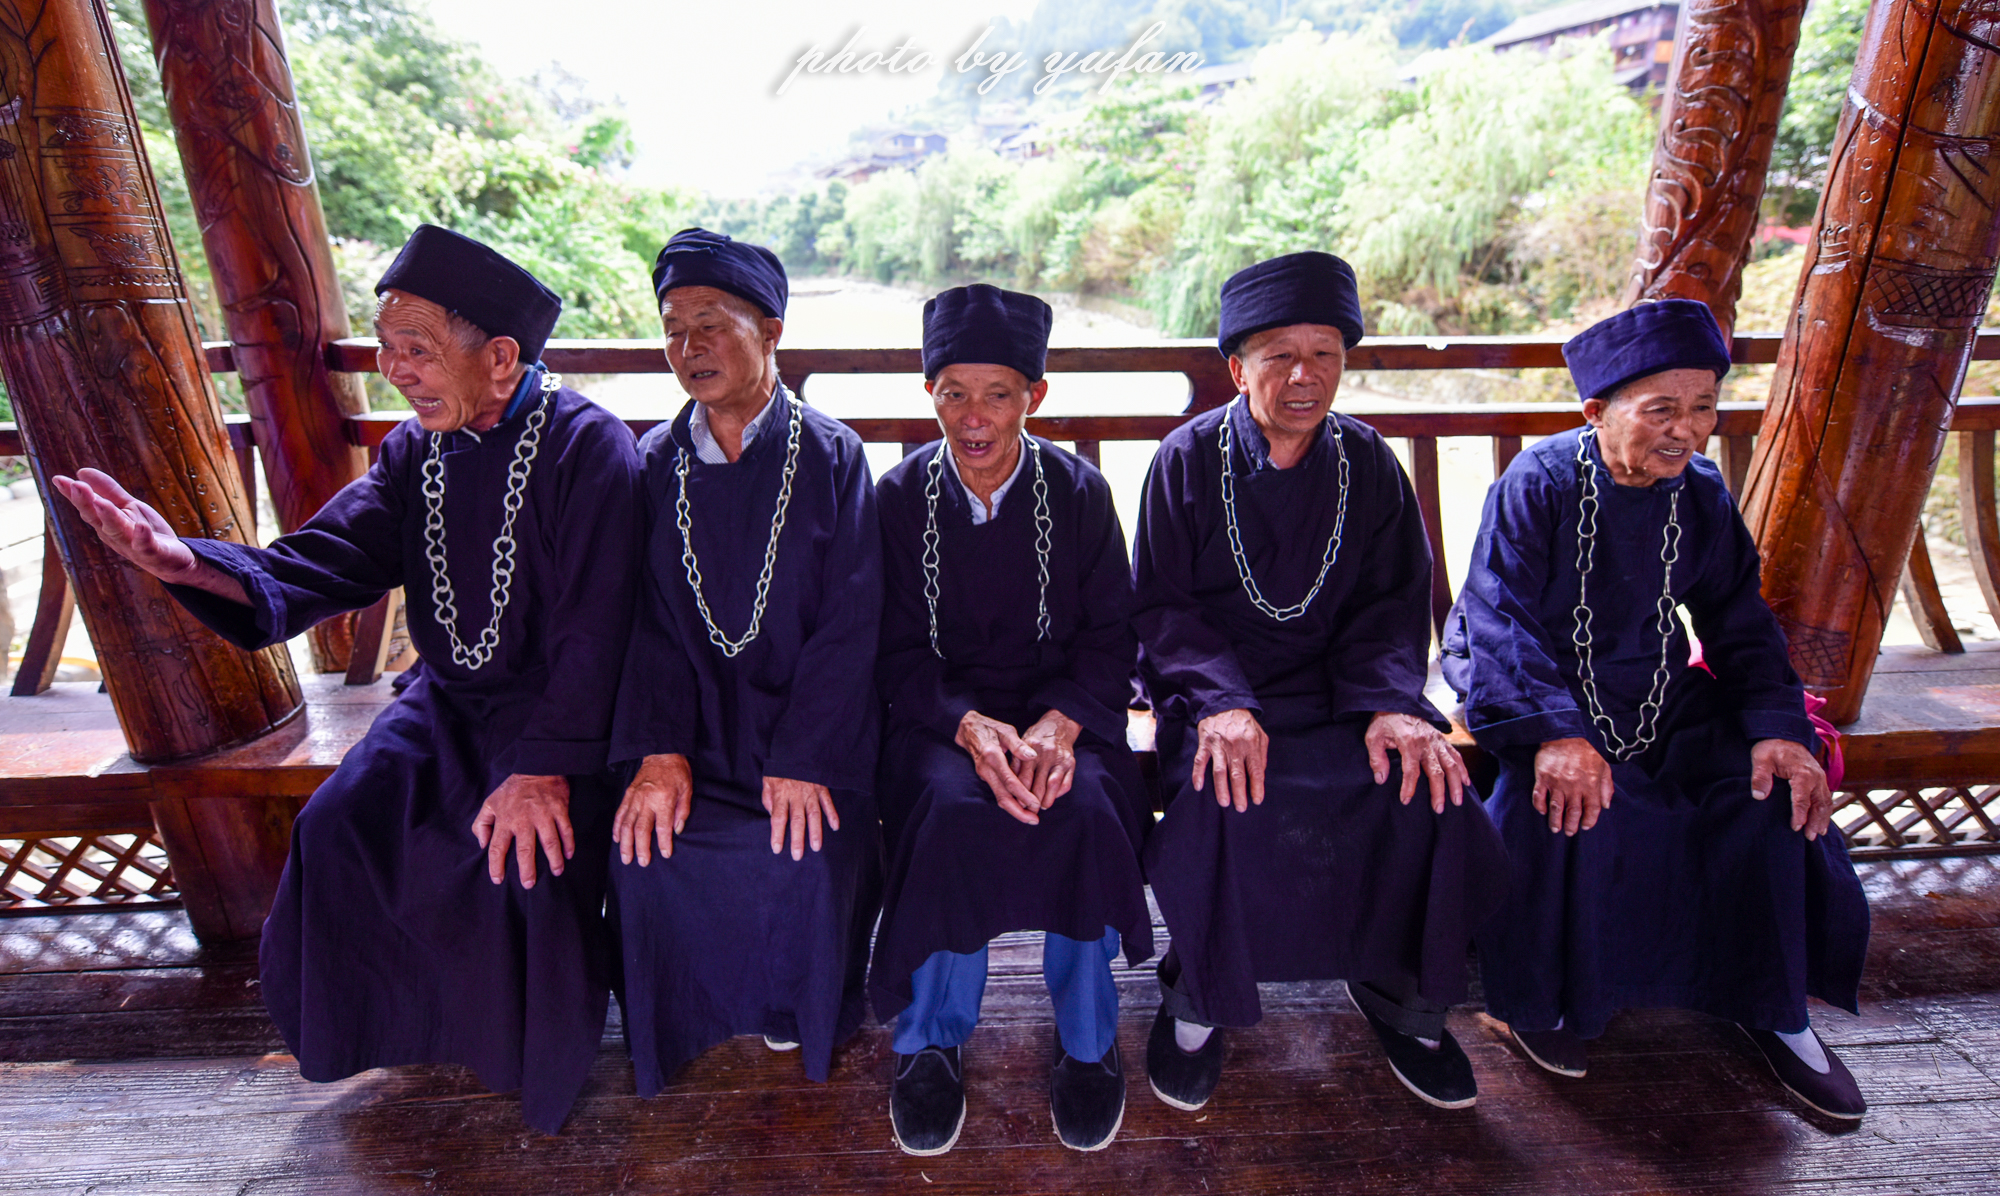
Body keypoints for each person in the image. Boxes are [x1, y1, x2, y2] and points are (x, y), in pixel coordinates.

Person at [51, 224, 644, 1133]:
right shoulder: (416, 451)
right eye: (385, 346)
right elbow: (327, 556)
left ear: (500, 358)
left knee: (513, 860)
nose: (395, 370)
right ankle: (395, 1032)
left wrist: (543, 769)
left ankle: (514, 1058)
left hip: (565, 719)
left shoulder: (589, 448)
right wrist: (188, 563)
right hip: (447, 703)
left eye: (417, 350)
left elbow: (600, 633)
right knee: (338, 827)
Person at [1441, 298, 1871, 1120]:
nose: (1687, 430)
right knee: (1560, 801)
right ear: (1597, 412)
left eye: (1704, 407)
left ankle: (1775, 1010)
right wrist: (1554, 733)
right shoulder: (1537, 482)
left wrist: (1778, 730)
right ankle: (1538, 1003)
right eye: (1661, 409)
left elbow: (1738, 620)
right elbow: (1499, 620)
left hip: (1653, 686)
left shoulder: (1699, 490)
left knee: (1766, 793)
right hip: (1533, 680)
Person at [1131, 251, 1509, 1113]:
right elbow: (1163, 607)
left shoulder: (1368, 463)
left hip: (1346, 696)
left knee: (1423, 785)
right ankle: (1198, 999)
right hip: (1217, 694)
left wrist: (1387, 704)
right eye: (1280, 356)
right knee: (1225, 791)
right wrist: (1222, 703)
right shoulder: (1185, 461)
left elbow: (1392, 603)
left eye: (1324, 355)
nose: (1304, 376)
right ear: (1239, 369)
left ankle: (1403, 997)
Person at [869, 284, 1153, 1154]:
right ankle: (931, 1039)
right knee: (949, 813)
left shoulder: (1079, 493)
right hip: (942, 723)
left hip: (1064, 718)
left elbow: (1113, 636)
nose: (974, 417)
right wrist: (968, 725)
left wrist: (1061, 726)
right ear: (929, 393)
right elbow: (890, 650)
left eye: (997, 394)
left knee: (1083, 807)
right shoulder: (896, 499)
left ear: (1034, 395)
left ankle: (1088, 1039)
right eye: (954, 392)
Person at [608, 228, 883, 1095]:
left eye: (710, 325)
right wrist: (658, 752)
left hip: (807, 732)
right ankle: (681, 1016)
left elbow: (852, 622)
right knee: (646, 855)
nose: (688, 347)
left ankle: (795, 1010)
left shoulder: (833, 455)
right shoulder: (652, 463)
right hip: (692, 732)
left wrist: (806, 755)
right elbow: (643, 624)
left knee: (805, 851)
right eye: (672, 329)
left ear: (769, 333)